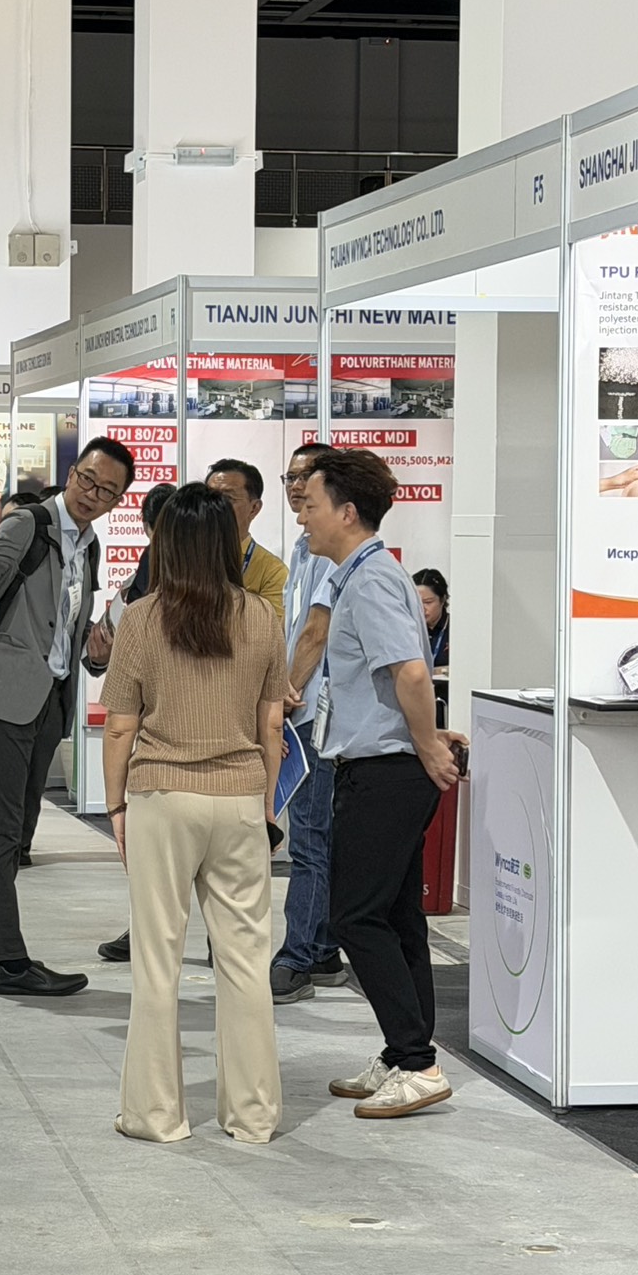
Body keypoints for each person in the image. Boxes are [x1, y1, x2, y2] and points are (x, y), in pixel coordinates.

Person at [101, 483, 288, 1144]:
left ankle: (155, 1114)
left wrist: (116, 806)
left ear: (167, 544)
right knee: (246, 960)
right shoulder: (262, 616)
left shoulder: (141, 619)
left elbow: (120, 726)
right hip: (240, 797)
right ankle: (254, 1115)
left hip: (161, 796)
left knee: (157, 960)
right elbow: (273, 722)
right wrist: (265, 800)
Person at [299, 449, 466, 1119]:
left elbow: (411, 672)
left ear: (346, 512)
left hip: (387, 771)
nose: (303, 515)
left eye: (311, 503)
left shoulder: (369, 579)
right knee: (396, 918)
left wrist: (427, 744)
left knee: (354, 916)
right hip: (385, 766)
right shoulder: (363, 574)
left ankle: (417, 1062)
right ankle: (406, 1053)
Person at [0, 437, 134, 997]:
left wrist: (96, 654)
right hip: (2, 696)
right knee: (2, 829)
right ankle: (10, 962)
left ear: (117, 501)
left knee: (17, 828)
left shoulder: (90, 546)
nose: (92, 494)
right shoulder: (28, 523)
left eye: (107, 491)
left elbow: (68, 630)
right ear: (72, 473)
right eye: (87, 479)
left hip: (49, 701)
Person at [270, 444, 348, 1004]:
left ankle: (298, 955)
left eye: (306, 478)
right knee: (314, 835)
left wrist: (287, 694)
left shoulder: (332, 552)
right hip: (303, 711)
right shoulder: (302, 548)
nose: (296, 487)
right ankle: (321, 950)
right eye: (290, 477)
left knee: (310, 840)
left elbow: (315, 633)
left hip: (315, 715)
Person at [96, 479, 177, 964]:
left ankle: (146, 930)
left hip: (157, 749)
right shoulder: (239, 597)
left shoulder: (143, 593)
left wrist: (114, 804)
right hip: (226, 766)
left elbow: (119, 721)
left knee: (152, 853)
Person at [206, 459, 288, 619]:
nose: (215, 506)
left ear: (254, 508)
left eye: (227, 498)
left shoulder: (272, 572)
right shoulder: (187, 556)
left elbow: (271, 629)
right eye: (209, 498)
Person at [412, 568, 450, 671]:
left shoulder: (455, 629)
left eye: (427, 602)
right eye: (416, 602)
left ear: (443, 599)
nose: (421, 608)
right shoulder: (408, 628)